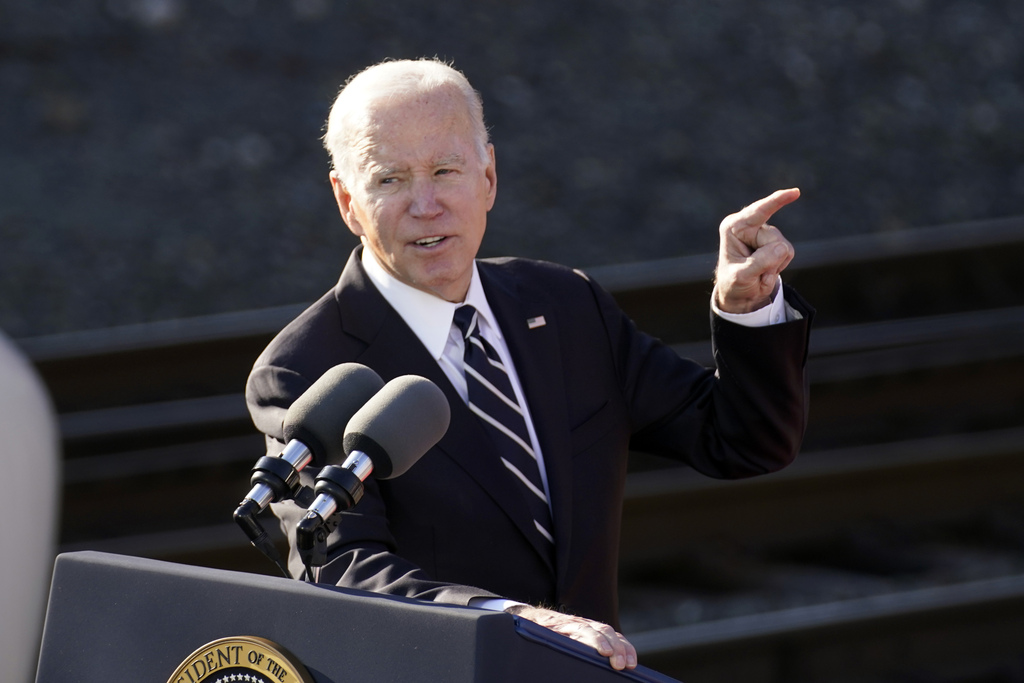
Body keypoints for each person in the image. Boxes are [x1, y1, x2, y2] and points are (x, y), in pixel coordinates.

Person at [246, 58, 813, 672]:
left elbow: (742, 440)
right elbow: (347, 572)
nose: (426, 204)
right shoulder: (307, 369)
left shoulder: (564, 305)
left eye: (445, 170)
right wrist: (514, 621)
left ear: (488, 175)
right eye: (390, 180)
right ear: (347, 201)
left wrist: (745, 308)